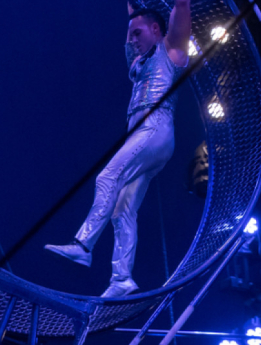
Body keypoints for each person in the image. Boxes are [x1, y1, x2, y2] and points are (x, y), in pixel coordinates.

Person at [45, 1, 191, 298]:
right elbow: (134, 13)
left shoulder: (171, 49)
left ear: (155, 29)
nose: (132, 40)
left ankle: (83, 246)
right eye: (130, 36)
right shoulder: (136, 60)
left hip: (155, 128)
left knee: (106, 178)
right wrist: (133, 18)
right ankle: (121, 279)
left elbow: (181, 6)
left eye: (137, 34)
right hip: (139, 135)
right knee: (122, 209)